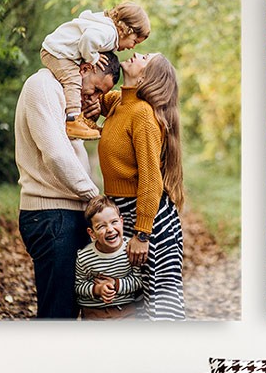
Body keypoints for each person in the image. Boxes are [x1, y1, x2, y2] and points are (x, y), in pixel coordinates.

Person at [14, 52, 121, 319]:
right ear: (85, 67)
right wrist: (95, 198)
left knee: (70, 310)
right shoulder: (43, 86)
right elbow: (56, 155)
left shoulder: (64, 98)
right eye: (95, 88)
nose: (93, 97)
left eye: (101, 94)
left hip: (66, 215)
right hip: (52, 216)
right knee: (58, 314)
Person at [93, 52, 186, 320]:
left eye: (146, 57)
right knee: (133, 307)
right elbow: (104, 98)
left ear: (146, 76)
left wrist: (142, 234)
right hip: (126, 214)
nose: (137, 53)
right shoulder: (121, 104)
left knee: (159, 309)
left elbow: (151, 178)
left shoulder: (143, 115)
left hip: (150, 223)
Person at [40, 3, 150, 140]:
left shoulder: (105, 28)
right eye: (134, 41)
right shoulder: (109, 33)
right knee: (73, 81)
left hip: (58, 51)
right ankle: (73, 120)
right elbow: (88, 38)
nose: (132, 47)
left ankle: (82, 121)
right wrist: (93, 58)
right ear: (127, 30)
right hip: (56, 52)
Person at [75, 195, 143, 320]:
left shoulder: (130, 249)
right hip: (94, 312)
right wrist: (97, 289)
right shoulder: (85, 256)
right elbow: (79, 285)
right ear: (92, 233)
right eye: (101, 226)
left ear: (121, 222)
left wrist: (116, 284)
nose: (110, 229)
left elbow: (138, 281)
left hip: (126, 310)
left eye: (114, 222)